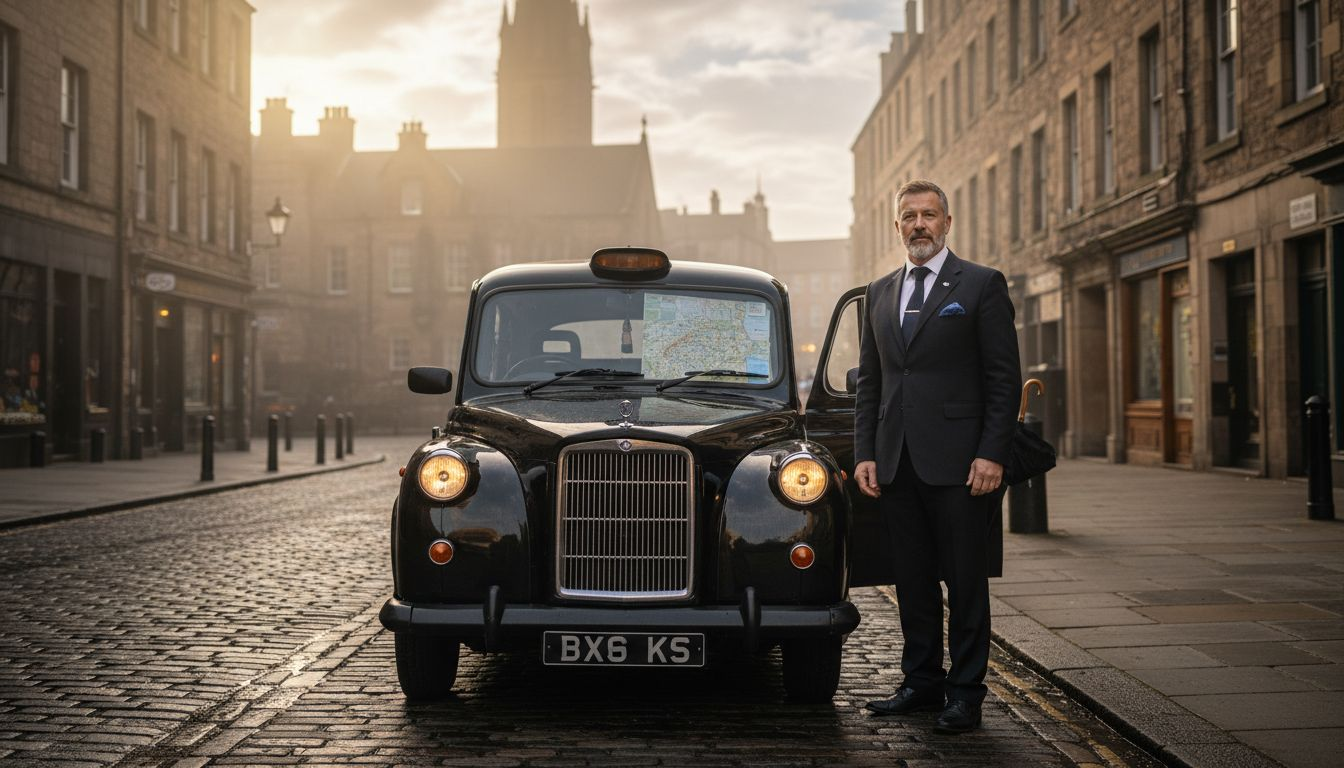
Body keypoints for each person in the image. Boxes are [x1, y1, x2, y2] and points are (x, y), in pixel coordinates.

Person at [854, 179, 1020, 734]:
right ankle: (921, 683)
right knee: (913, 581)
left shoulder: (980, 285)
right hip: (897, 463)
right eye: (909, 216)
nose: (919, 224)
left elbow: (1003, 379)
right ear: (897, 226)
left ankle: (965, 693)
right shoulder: (878, 292)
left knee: (966, 583)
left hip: (961, 467)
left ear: (947, 223)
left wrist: (992, 452)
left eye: (929, 215)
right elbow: (871, 384)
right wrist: (865, 454)